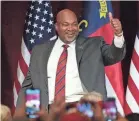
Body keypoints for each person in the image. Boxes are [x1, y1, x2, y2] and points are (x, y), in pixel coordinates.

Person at [15, 9, 126, 115]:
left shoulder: (94, 45)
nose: (71, 28)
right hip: (49, 111)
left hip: (83, 109)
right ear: (56, 26)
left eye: (74, 24)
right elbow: (29, 86)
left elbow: (114, 56)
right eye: (65, 24)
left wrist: (118, 35)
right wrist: (22, 116)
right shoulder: (40, 51)